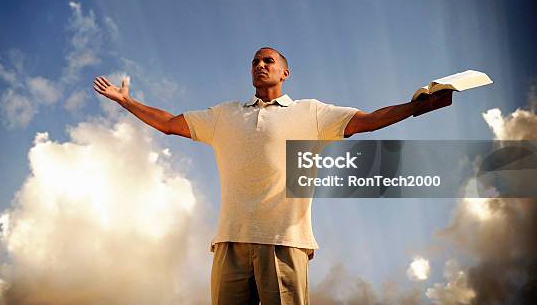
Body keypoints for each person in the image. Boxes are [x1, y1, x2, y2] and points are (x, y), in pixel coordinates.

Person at [93, 47, 452, 305]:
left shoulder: (311, 113)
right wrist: (127, 102)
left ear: (284, 73)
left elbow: (370, 120)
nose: (260, 65)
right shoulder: (224, 115)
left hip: (285, 241)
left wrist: (420, 106)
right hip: (231, 242)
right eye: (255, 62)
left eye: (268, 61)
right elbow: (170, 124)